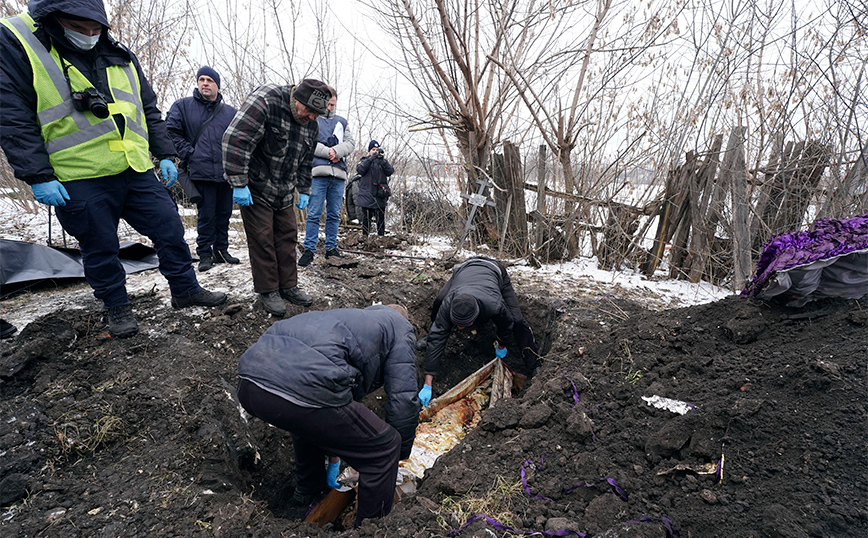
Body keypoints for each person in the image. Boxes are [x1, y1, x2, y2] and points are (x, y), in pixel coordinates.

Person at [0, 0, 227, 339]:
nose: (90, 35)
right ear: (53, 19)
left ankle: (185, 288)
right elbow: (12, 115)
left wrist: (164, 152)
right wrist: (38, 174)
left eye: (96, 29)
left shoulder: (118, 52)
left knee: (168, 227)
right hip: (78, 173)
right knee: (100, 244)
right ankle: (117, 307)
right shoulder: (17, 42)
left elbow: (146, 107)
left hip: (133, 167)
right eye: (80, 28)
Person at [237, 304, 420, 527]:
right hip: (302, 386)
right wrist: (396, 459)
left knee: (305, 419)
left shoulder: (349, 319)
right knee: (385, 447)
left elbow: (327, 414)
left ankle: (308, 491)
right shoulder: (400, 327)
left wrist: (334, 451)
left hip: (250, 384)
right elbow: (403, 400)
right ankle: (370, 529)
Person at [222, 78, 331, 317]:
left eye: (317, 114)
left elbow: (305, 159)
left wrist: (304, 189)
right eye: (309, 111)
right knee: (262, 237)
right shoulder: (266, 100)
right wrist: (239, 182)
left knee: (287, 235)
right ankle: (268, 290)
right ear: (297, 99)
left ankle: (288, 285)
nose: (312, 117)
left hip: (284, 189)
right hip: (256, 186)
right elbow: (235, 140)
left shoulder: (310, 122)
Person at [418, 256, 540, 406]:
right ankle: (428, 335)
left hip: (494, 270)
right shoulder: (448, 303)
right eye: (457, 325)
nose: (460, 329)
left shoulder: (494, 305)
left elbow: (506, 324)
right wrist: (428, 383)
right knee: (438, 301)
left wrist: (501, 344)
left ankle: (534, 363)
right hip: (464, 269)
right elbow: (438, 339)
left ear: (476, 317)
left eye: (464, 325)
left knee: (518, 320)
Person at [166, 66, 239, 272]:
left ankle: (221, 250)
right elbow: (171, 131)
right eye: (201, 79)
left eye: (210, 80)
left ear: (217, 85)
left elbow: (239, 139)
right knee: (206, 215)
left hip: (225, 173)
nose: (205, 83)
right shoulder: (183, 106)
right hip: (201, 171)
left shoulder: (230, 112)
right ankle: (205, 253)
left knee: (224, 213)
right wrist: (190, 153)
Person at [298, 84, 355, 266]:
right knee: (314, 213)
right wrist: (327, 152)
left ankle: (331, 248)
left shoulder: (342, 121)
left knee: (334, 214)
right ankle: (309, 249)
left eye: (333, 104)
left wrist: (337, 152)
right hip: (318, 173)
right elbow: (309, 142)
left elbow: (350, 143)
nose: (330, 108)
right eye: (328, 104)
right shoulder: (313, 119)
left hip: (338, 174)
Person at [356, 140, 394, 237]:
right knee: (366, 219)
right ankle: (365, 239)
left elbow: (390, 171)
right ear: (369, 151)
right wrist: (371, 159)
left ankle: (381, 239)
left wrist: (383, 162)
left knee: (380, 220)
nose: (375, 152)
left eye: (377, 150)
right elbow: (360, 169)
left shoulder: (382, 162)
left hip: (379, 195)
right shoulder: (364, 160)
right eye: (373, 149)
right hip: (366, 195)